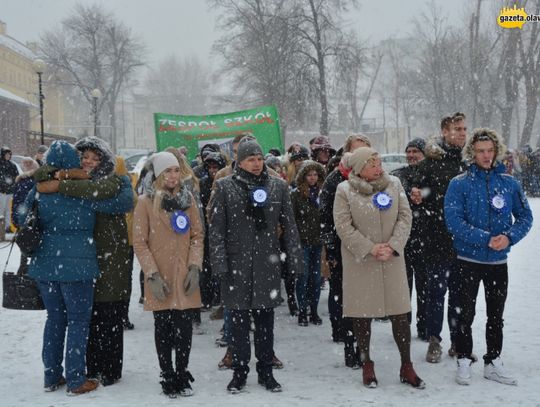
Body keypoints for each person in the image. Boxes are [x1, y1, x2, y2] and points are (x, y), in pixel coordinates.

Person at [21, 140, 131, 395]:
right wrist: (122, 182)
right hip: (79, 266)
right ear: (74, 161)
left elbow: (21, 215)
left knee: (55, 320)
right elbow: (117, 204)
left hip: (45, 265)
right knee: (79, 322)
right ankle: (76, 379)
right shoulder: (83, 190)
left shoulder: (40, 189)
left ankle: (51, 376)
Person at [209, 138, 302, 393]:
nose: (257, 163)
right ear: (239, 162)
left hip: (266, 263)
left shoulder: (278, 186)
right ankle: (239, 371)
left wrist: (295, 259)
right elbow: (216, 230)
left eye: (259, 158)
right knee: (237, 325)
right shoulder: (225, 187)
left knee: (265, 322)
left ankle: (266, 371)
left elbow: (290, 226)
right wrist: (219, 264)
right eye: (251, 159)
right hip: (235, 265)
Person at [444, 129, 532, 386]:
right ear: (472, 152)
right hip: (467, 261)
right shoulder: (458, 184)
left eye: (490, 150)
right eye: (480, 151)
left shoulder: (509, 184)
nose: (485, 155)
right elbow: (453, 221)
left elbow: (526, 217)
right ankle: (463, 359)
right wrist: (483, 238)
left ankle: (493, 361)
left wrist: (509, 237)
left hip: (497, 263)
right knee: (465, 313)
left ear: (497, 152)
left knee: (496, 315)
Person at [334, 147, 425, 389]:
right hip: (361, 261)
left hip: (392, 259)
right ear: (360, 168)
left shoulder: (394, 183)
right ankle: (367, 364)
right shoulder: (344, 190)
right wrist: (370, 248)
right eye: (372, 163)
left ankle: (407, 365)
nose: (378, 167)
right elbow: (342, 225)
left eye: (378, 162)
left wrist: (394, 245)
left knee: (399, 312)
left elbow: (405, 216)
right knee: (362, 314)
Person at [133, 151, 204, 398]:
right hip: (160, 276)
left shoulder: (188, 200)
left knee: (184, 329)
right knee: (163, 328)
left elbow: (197, 236)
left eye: (176, 171)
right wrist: (151, 275)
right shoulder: (144, 202)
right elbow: (139, 242)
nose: (173, 176)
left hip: (183, 274)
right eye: (167, 172)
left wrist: (195, 266)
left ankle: (182, 372)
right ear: (158, 175)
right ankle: (167, 373)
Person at [411, 112, 468, 363]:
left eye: (465, 129)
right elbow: (421, 193)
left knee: (460, 295)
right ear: (444, 131)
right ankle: (434, 340)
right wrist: (420, 196)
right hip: (437, 240)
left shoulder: (471, 162)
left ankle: (458, 340)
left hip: (466, 242)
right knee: (436, 293)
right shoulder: (431, 163)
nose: (462, 133)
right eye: (457, 129)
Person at [320, 134, 371, 367]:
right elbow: (326, 219)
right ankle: (349, 343)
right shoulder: (334, 180)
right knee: (344, 298)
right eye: (356, 150)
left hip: (368, 248)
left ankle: (364, 346)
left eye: (365, 150)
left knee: (365, 299)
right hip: (342, 249)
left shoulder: (374, 177)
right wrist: (331, 250)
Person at [391, 138, 428, 340]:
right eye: (409, 151)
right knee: (402, 286)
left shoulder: (430, 175)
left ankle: (424, 325)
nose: (412, 155)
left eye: (416, 151)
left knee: (424, 287)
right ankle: (403, 324)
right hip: (402, 240)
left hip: (425, 240)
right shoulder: (397, 175)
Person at [291, 160, 325, 326]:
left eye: (315, 175)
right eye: (309, 175)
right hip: (302, 242)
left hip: (318, 241)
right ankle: (302, 311)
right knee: (303, 277)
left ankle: (314, 310)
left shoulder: (321, 194)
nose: (312, 178)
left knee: (316, 279)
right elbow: (292, 219)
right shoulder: (296, 194)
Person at [11, 157, 39, 275]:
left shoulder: (21, 182)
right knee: (35, 247)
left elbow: (17, 203)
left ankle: (22, 271)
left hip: (24, 220)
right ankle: (32, 273)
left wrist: (16, 220)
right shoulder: (37, 181)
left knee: (25, 246)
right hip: (35, 219)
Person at [0, 146, 19, 232]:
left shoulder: (13, 165)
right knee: (1, 209)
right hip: (1, 191)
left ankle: (7, 227)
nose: (8, 156)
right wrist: (3, 185)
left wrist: (13, 186)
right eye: (6, 154)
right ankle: (1, 227)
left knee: (8, 209)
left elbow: (16, 177)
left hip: (10, 191)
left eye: (9, 154)